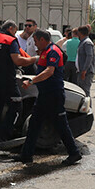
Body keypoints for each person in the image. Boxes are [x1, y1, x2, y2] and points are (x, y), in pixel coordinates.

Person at [17, 30, 82, 165]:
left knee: (61, 125)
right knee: (34, 125)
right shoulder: (44, 52)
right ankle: (26, 155)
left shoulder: (53, 51)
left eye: (35, 41)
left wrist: (32, 81)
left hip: (54, 95)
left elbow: (49, 71)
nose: (35, 44)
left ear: (42, 40)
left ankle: (74, 153)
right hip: (44, 95)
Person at [0, 21, 36, 144]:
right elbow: (18, 60)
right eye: (15, 31)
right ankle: (3, 135)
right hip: (7, 82)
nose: (15, 34)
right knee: (17, 106)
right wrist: (34, 59)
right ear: (10, 28)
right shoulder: (10, 41)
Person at [76, 26, 95, 97]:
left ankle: (88, 107)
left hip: (86, 72)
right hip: (81, 71)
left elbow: (89, 57)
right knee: (81, 92)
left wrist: (84, 70)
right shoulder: (82, 42)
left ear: (80, 33)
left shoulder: (87, 43)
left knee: (85, 92)